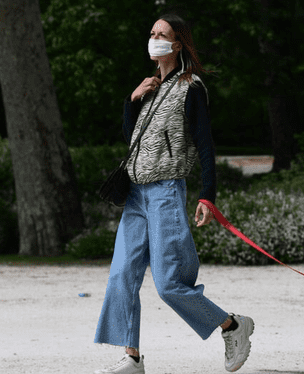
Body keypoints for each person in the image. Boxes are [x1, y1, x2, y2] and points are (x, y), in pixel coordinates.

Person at [94, 14, 254, 374]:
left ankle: (232, 326)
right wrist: (132, 101)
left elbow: (204, 144)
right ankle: (132, 358)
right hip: (136, 195)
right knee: (122, 275)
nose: (154, 38)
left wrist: (207, 194)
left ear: (177, 43)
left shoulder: (191, 87)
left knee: (169, 284)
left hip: (166, 190)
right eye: (151, 32)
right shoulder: (150, 87)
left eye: (161, 34)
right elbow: (133, 139)